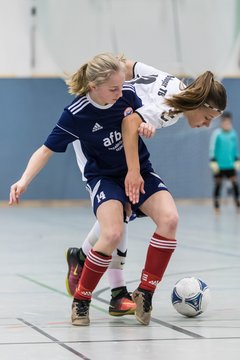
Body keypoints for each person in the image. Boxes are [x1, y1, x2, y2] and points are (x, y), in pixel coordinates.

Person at [9, 53, 227, 327]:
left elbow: (131, 70)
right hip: (104, 173)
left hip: (136, 164)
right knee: (113, 231)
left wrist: (142, 122)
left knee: (169, 219)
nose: (121, 91)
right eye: (208, 117)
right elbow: (49, 148)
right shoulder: (79, 113)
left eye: (121, 85)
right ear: (93, 86)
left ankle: (143, 292)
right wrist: (24, 180)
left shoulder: (127, 93)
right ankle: (83, 298)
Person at [209, 111, 240, 212]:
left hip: (230, 164)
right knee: (218, 184)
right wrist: (213, 160)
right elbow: (212, 148)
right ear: (221, 123)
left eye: (228, 123)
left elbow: (235, 148)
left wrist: (237, 159)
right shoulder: (217, 134)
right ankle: (216, 205)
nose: (227, 125)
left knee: (234, 182)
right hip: (219, 165)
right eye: (225, 123)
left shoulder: (233, 134)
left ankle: (237, 203)